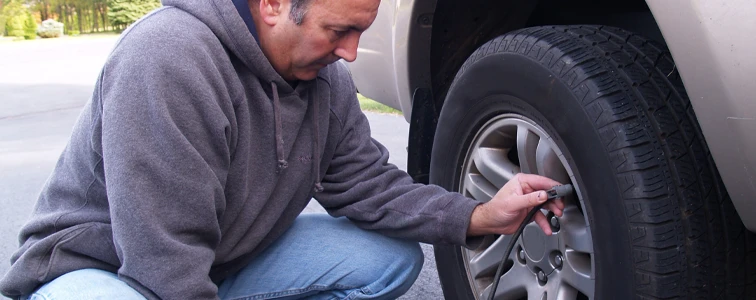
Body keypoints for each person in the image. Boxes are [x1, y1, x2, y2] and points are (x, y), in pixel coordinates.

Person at [0, 0, 566, 299]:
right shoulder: (170, 58)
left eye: (360, 32)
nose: (349, 53)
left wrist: (480, 214)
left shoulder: (325, 82)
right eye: (338, 30)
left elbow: (368, 185)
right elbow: (163, 257)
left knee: (389, 260)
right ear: (272, 4)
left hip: (218, 262)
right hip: (104, 271)